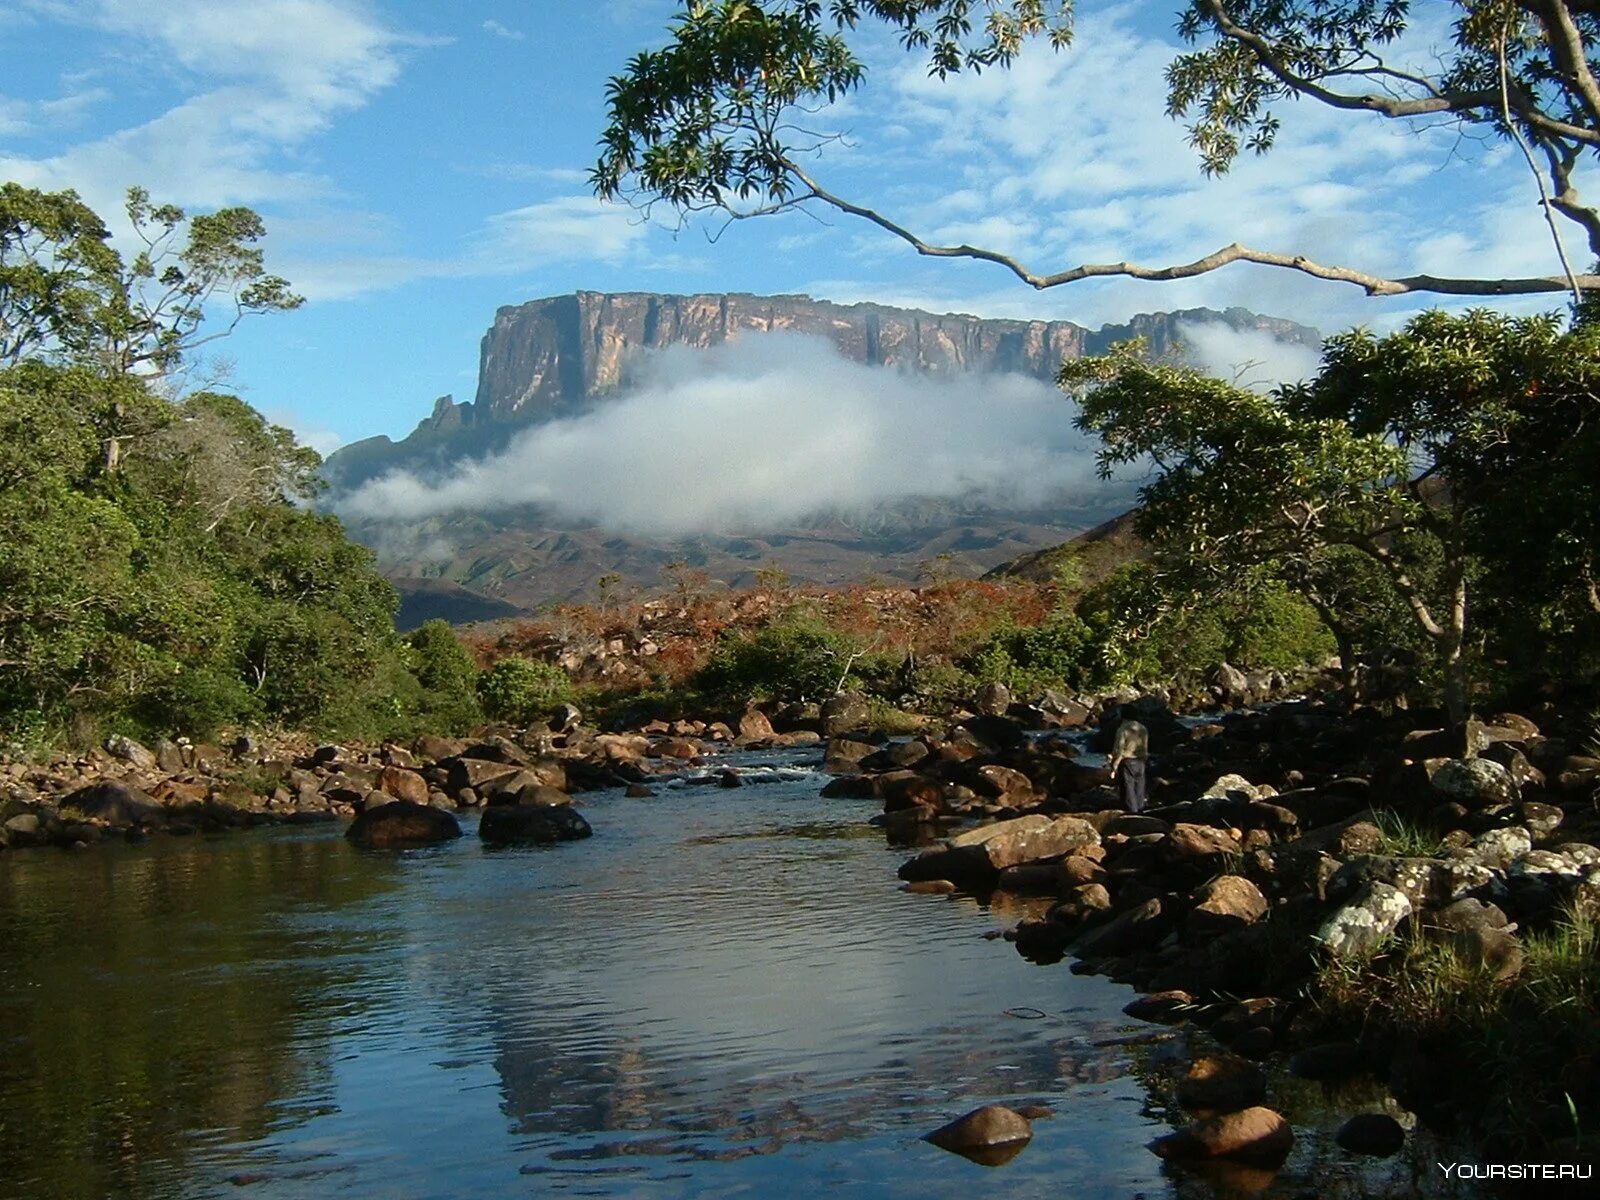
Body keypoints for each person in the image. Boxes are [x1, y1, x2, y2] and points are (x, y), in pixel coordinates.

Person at [1107, 718, 1150, 813]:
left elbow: (1119, 748)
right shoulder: (1142, 728)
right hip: (1140, 761)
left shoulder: (1123, 729)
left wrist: (1114, 765)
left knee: (1128, 789)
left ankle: (1132, 813)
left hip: (1127, 761)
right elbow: (1145, 746)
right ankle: (1140, 811)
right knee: (1140, 788)